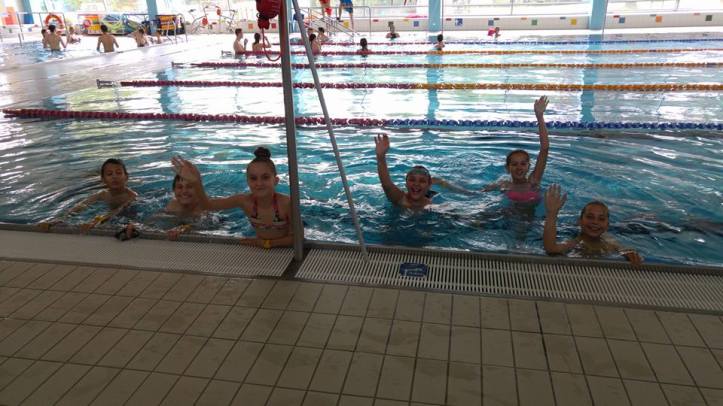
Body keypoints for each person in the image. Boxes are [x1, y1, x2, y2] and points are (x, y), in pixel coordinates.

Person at [171, 148, 295, 248]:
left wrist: (266, 244)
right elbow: (208, 206)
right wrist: (196, 182)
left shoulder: (286, 204)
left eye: (265, 177)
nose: (259, 183)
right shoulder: (245, 201)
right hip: (261, 246)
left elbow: (297, 238)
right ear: (248, 182)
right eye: (253, 178)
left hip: (283, 250)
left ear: (276, 180)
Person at [543, 184, 643, 265]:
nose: (595, 222)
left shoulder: (608, 239)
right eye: (590, 217)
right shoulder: (576, 242)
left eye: (601, 219)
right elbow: (551, 248)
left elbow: (622, 248)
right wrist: (552, 213)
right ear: (580, 221)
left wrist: (629, 252)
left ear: (607, 225)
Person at [38, 158, 138, 233]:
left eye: (119, 173)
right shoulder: (102, 194)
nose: (114, 176)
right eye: (109, 174)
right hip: (110, 215)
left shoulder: (132, 195)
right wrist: (63, 217)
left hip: (129, 216)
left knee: (130, 226)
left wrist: (96, 221)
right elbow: (82, 204)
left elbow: (118, 210)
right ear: (103, 180)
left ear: (126, 177)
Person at [375, 134, 471, 210]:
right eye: (412, 180)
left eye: (422, 181)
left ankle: (440, 182)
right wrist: (381, 157)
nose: (416, 183)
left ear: (429, 186)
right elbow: (386, 184)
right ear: (406, 183)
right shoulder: (399, 199)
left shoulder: (432, 206)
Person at [482, 96, 549, 203]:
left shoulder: (533, 181)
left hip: (532, 214)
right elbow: (477, 194)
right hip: (507, 213)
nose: (519, 167)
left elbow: (544, 149)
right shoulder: (503, 184)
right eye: (514, 164)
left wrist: (539, 116)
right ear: (507, 168)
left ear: (528, 166)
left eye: (523, 164)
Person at [165, 174, 205, 240]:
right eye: (180, 187)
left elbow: (201, 224)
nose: (184, 191)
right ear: (174, 190)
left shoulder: (203, 207)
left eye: (189, 187)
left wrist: (182, 228)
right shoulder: (173, 205)